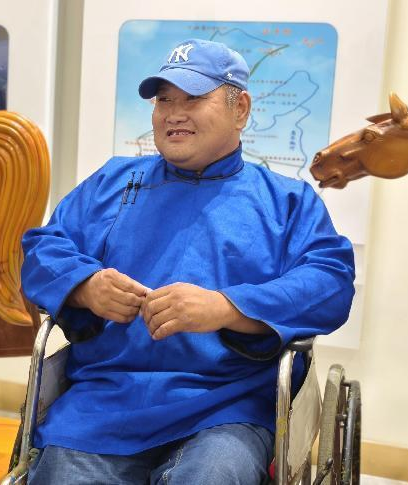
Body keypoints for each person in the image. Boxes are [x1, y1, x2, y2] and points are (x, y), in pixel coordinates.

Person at [20, 39, 355, 484]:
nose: (173, 114)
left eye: (193, 98)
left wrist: (226, 308)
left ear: (241, 109)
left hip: (226, 407)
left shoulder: (287, 201)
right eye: (164, 100)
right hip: (104, 401)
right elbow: (43, 249)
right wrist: (85, 285)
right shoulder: (113, 183)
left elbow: (330, 281)